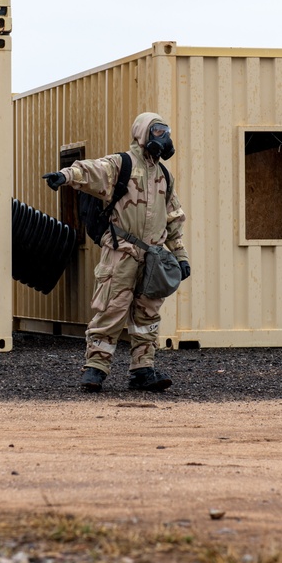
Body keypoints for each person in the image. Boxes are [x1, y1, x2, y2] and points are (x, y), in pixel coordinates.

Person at [42, 112, 191, 393]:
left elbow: (173, 219)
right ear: (142, 133)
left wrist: (180, 256)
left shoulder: (164, 176)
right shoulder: (121, 165)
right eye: (157, 132)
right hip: (120, 253)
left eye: (166, 132)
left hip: (153, 259)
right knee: (111, 310)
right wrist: (65, 176)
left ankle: (143, 370)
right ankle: (95, 369)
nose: (164, 138)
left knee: (147, 316)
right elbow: (91, 170)